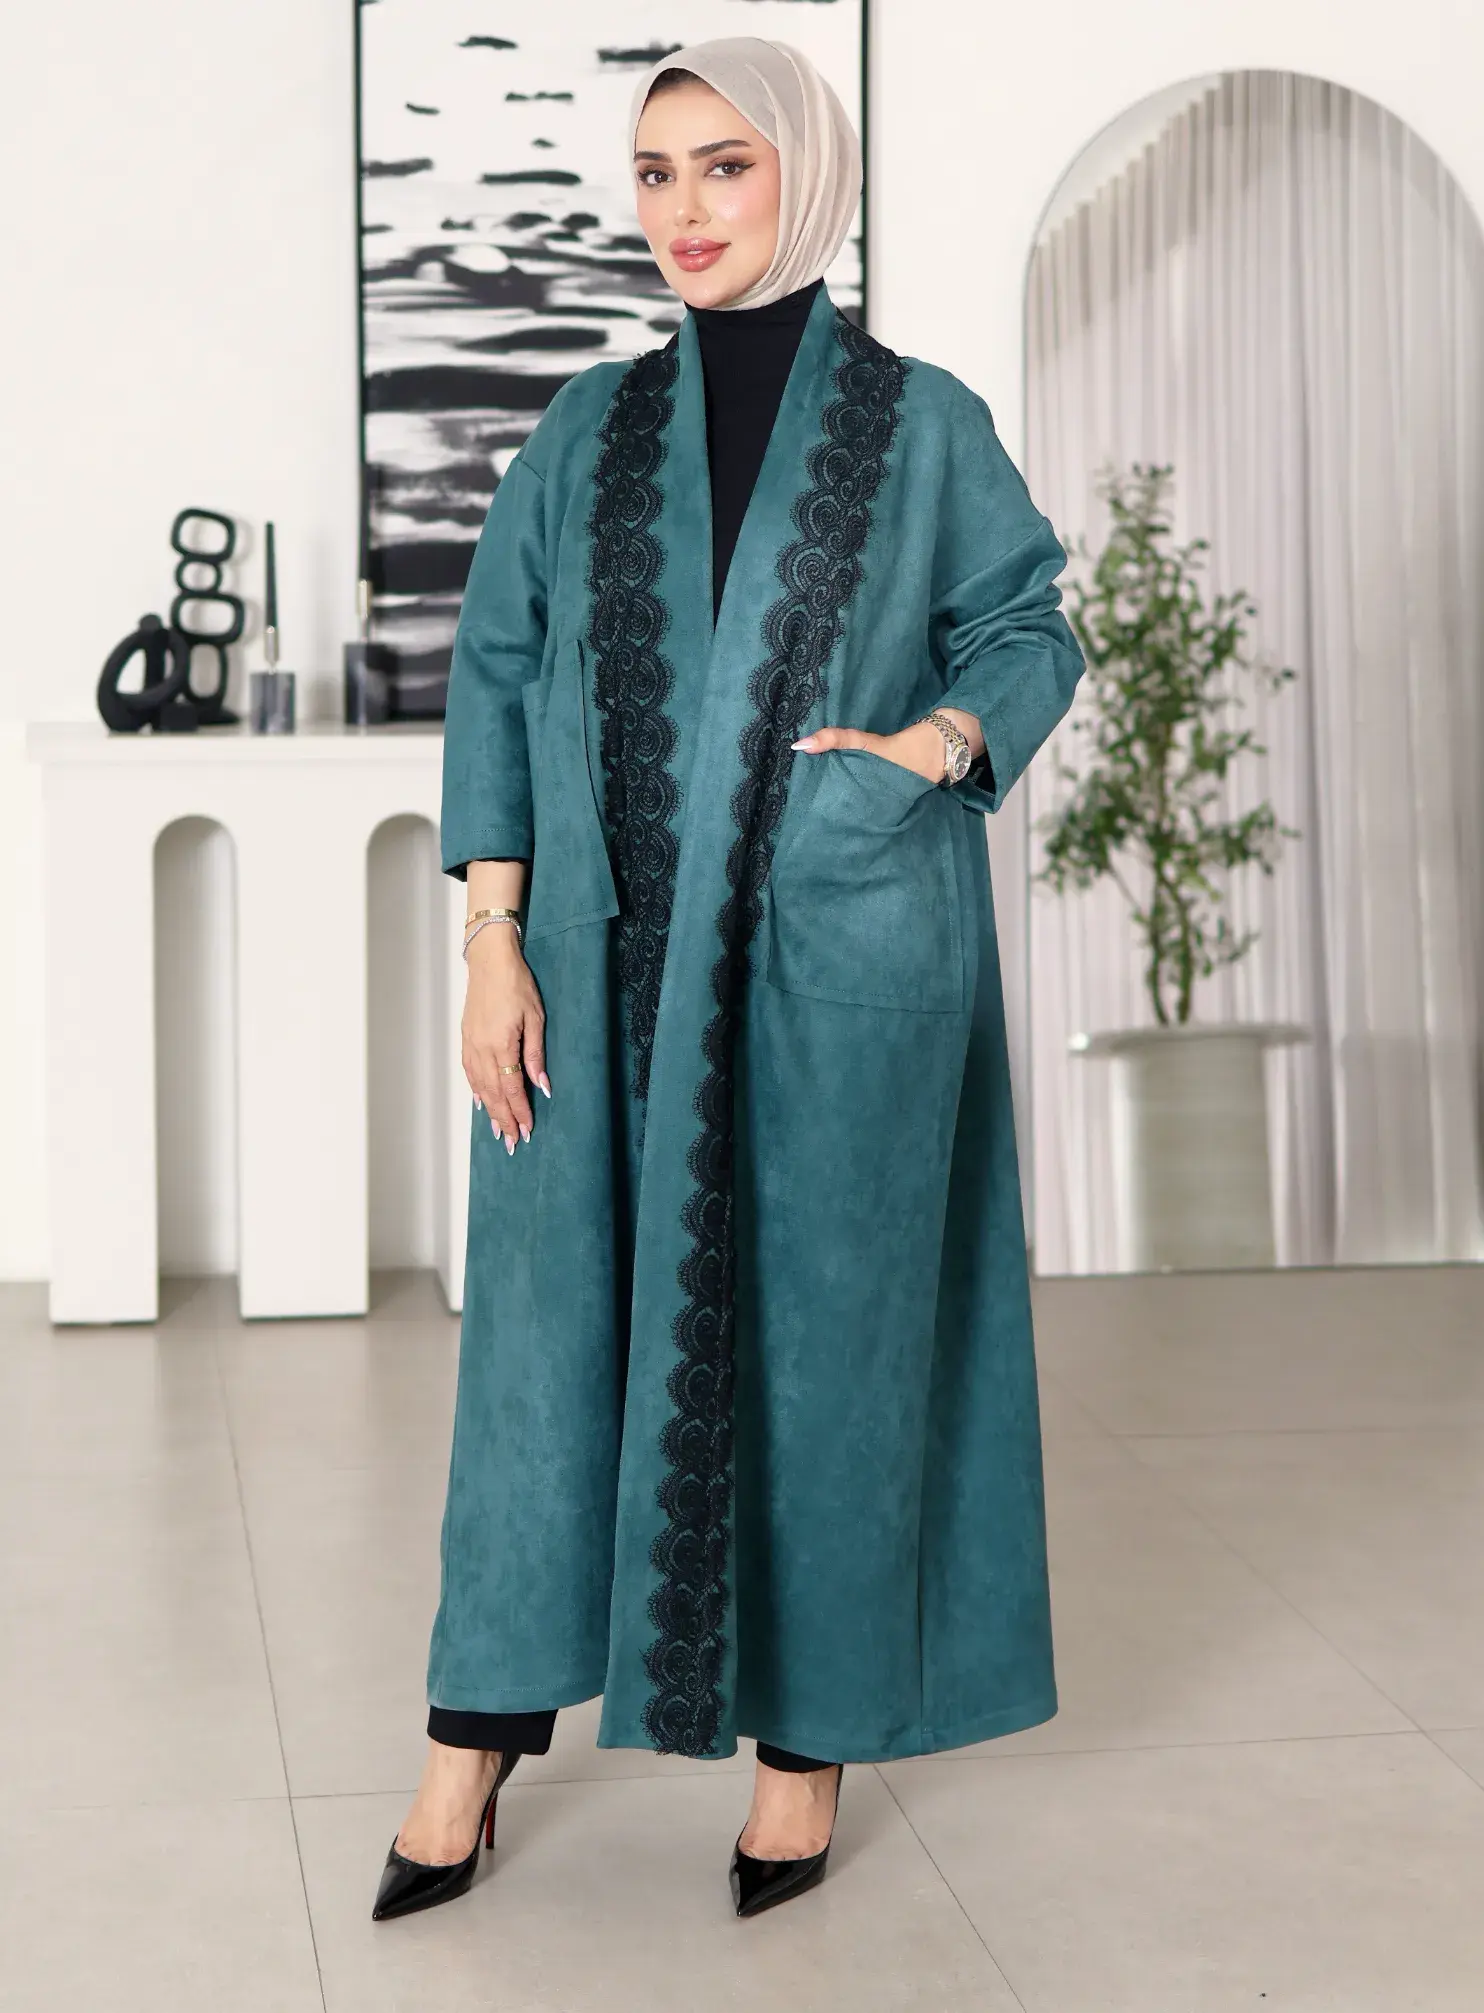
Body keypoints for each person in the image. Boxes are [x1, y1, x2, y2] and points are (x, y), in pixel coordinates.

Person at [373, 34, 1083, 1925]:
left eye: (726, 166)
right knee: (542, 1365)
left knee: (828, 1356)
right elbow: (498, 678)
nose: (683, 210)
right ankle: (468, 1746)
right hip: (594, 971)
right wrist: (492, 941)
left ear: (807, 176)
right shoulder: (586, 432)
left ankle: (803, 1753)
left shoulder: (920, 423)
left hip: (836, 957)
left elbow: (1027, 624)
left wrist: (932, 748)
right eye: (656, 171)